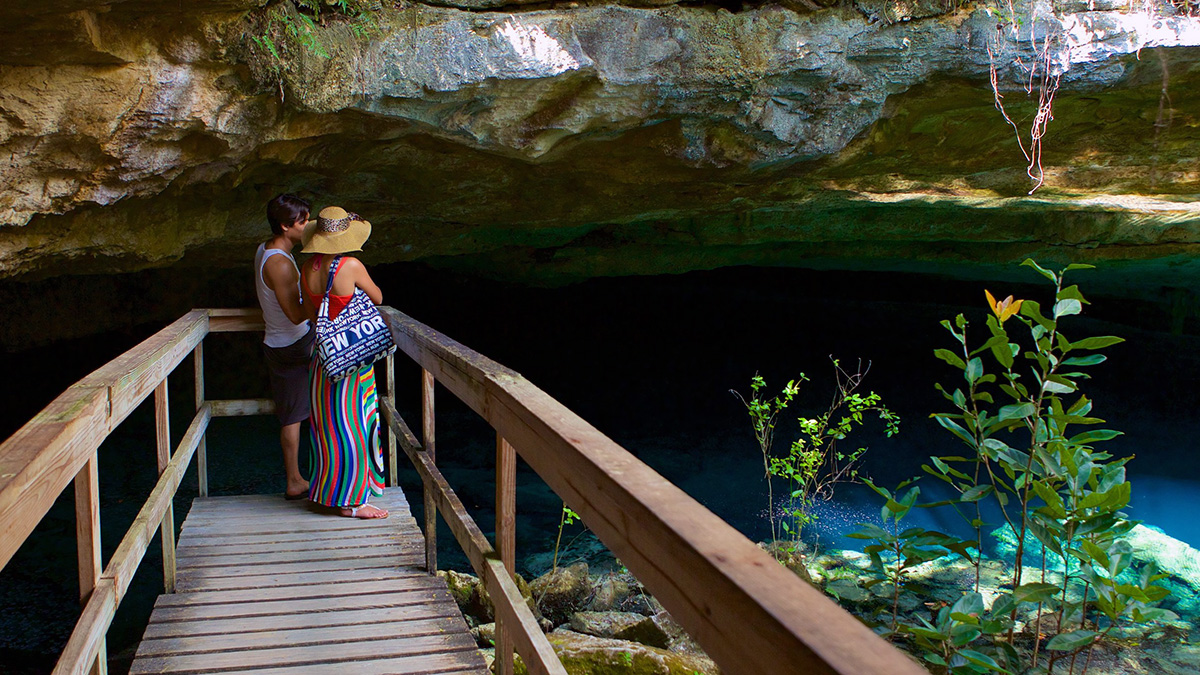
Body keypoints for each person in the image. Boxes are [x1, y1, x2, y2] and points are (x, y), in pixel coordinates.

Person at [300, 206, 389, 519]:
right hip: (350, 356)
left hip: (321, 355)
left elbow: (313, 314)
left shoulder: (306, 268)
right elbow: (376, 297)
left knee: (327, 426)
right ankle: (354, 503)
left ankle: (328, 491)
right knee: (353, 425)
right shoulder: (350, 264)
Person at [255, 193, 314, 500]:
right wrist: (319, 299)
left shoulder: (266, 249)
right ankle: (298, 479)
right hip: (295, 342)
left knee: (292, 413)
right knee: (313, 408)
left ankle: (297, 477)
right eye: (303, 221)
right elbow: (294, 314)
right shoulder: (280, 264)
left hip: (275, 341)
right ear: (285, 225)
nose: (307, 226)